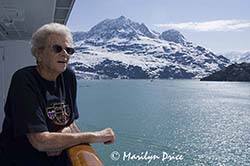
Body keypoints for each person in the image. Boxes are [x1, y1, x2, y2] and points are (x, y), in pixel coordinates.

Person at [0, 23, 115, 166]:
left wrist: (57, 138)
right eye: (57, 48)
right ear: (39, 53)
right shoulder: (24, 80)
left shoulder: (68, 76)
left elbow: (70, 122)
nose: (65, 54)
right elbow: (40, 142)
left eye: (69, 50)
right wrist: (95, 136)